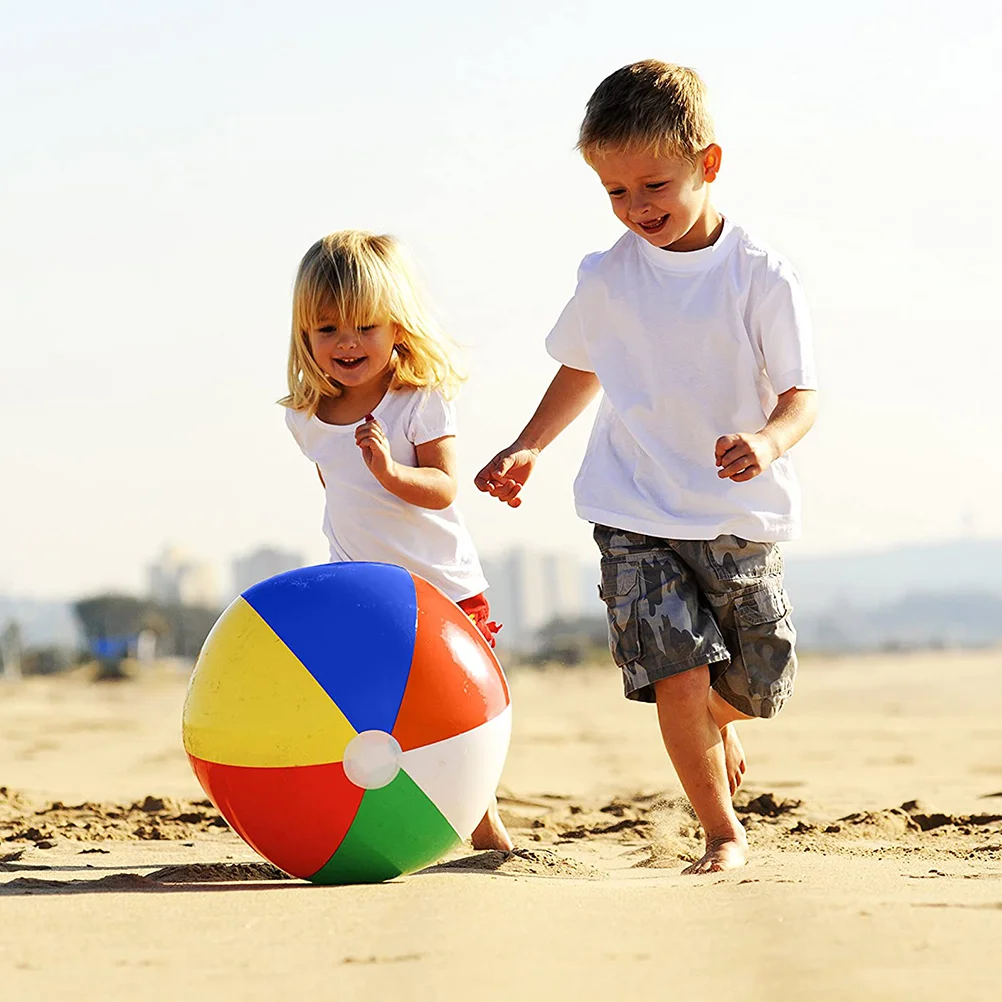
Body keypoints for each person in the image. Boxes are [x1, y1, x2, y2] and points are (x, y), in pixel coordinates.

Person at [475, 61, 818, 873]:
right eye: (616, 194)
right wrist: (529, 443)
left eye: (654, 185)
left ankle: (715, 719)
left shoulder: (759, 277)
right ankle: (721, 830)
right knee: (676, 674)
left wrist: (766, 441)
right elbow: (582, 366)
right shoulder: (608, 276)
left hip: (738, 511)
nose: (637, 209)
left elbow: (803, 395)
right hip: (632, 507)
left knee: (763, 678)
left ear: (709, 162)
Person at [282, 229, 512, 852]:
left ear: (398, 328)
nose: (347, 343)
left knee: (460, 709)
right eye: (327, 329)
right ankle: (372, 814)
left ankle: (482, 818)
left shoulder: (416, 400)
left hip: (444, 588)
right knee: (375, 713)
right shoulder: (304, 417)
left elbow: (442, 486)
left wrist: (388, 472)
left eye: (365, 326)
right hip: (365, 593)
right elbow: (339, 496)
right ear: (305, 336)